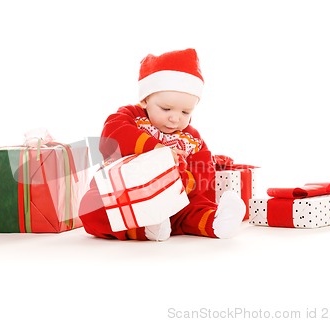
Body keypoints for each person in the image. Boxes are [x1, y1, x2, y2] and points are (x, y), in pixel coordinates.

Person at [79, 48, 245, 241]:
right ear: (145, 100)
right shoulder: (131, 116)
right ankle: (147, 227)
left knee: (192, 208)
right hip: (127, 194)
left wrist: (182, 180)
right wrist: (156, 150)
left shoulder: (192, 138)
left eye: (185, 112)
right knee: (92, 208)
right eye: (166, 108)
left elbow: (205, 170)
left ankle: (216, 222)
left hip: (173, 201)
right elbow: (113, 133)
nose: (175, 118)